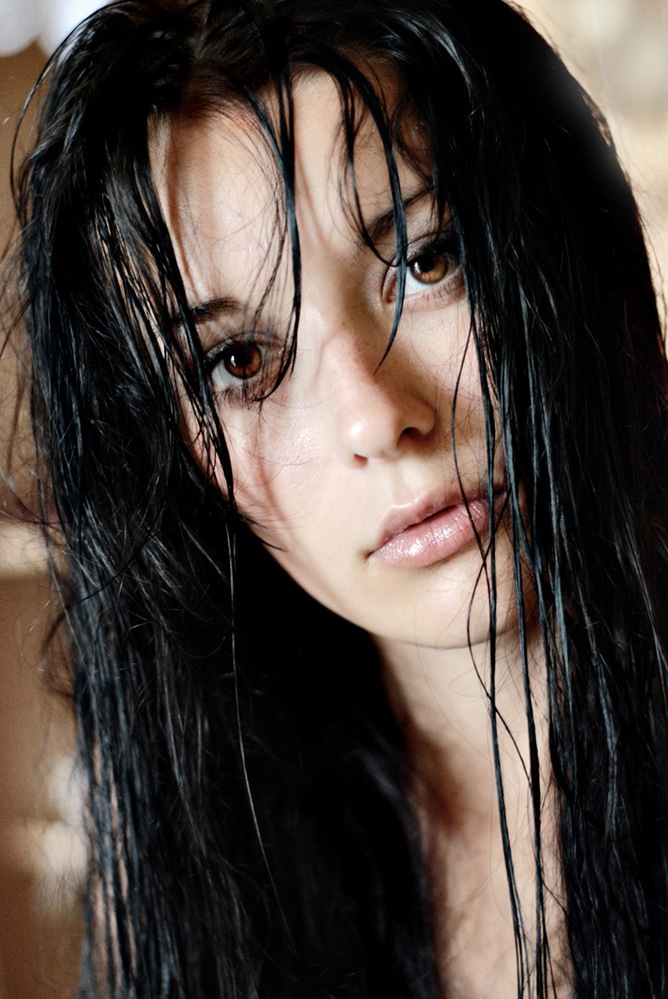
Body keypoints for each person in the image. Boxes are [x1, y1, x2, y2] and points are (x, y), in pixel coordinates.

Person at [6, 0, 668, 995]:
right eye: (240, 360)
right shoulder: (206, 878)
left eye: (427, 260)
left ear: (564, 242)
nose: (376, 417)